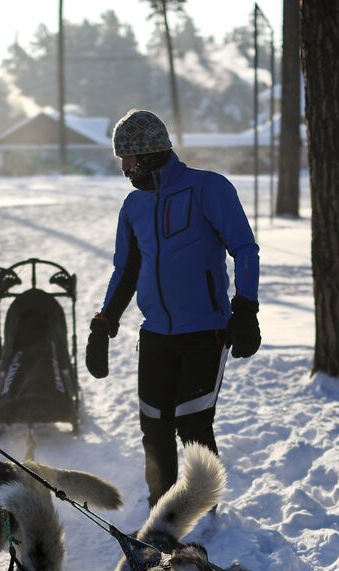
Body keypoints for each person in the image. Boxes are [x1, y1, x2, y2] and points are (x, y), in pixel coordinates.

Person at [86, 109, 262, 507]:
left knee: (193, 423)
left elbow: (244, 249)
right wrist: (103, 324)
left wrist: (246, 308)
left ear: (149, 153)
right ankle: (162, 508)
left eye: (128, 158)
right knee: (154, 425)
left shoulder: (209, 189)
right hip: (156, 334)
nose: (125, 167)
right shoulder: (133, 207)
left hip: (205, 331)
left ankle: (204, 508)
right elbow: (126, 271)